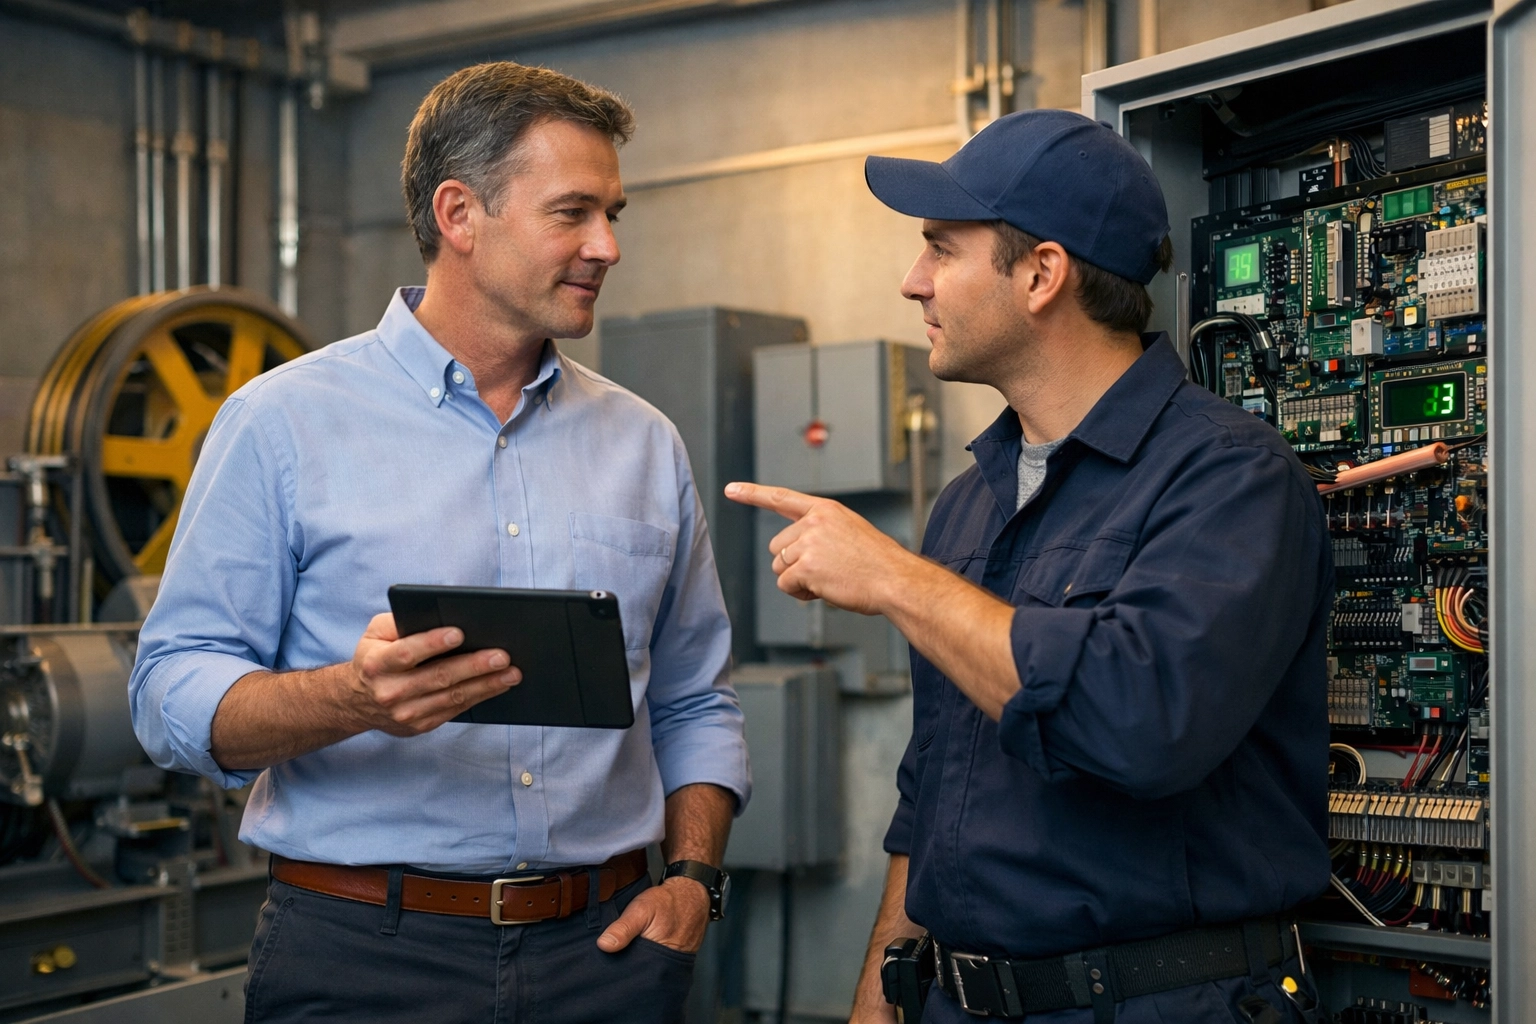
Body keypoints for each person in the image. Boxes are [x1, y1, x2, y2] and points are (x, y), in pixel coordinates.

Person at [130, 62, 747, 1024]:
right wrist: (351, 697)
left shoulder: (645, 444)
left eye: (614, 213)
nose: (608, 246)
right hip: (363, 958)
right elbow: (168, 691)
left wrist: (695, 881)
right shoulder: (281, 423)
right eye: (573, 212)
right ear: (459, 214)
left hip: (609, 954)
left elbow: (696, 696)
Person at [728, 109, 1331, 1024]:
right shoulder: (970, 499)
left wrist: (893, 577)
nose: (911, 282)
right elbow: (930, 788)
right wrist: (879, 994)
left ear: (1042, 274)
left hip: (1159, 1004)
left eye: (941, 249)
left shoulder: (1232, 479)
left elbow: (1139, 724)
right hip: (957, 1002)